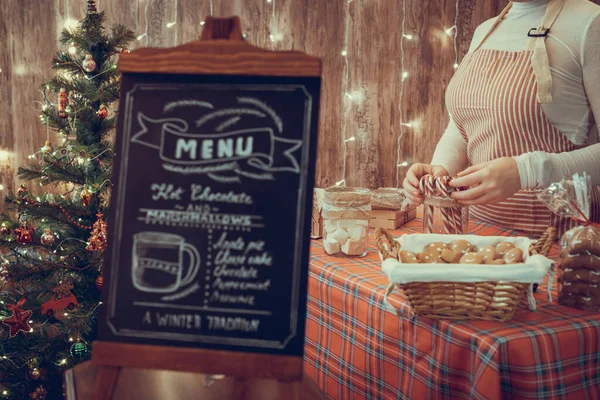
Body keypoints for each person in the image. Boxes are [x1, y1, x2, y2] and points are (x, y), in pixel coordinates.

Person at [403, 0, 600, 235]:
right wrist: (440, 168)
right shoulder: (485, 31)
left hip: (558, 240)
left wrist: (527, 171)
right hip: (480, 233)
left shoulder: (590, 23)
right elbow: (461, 128)